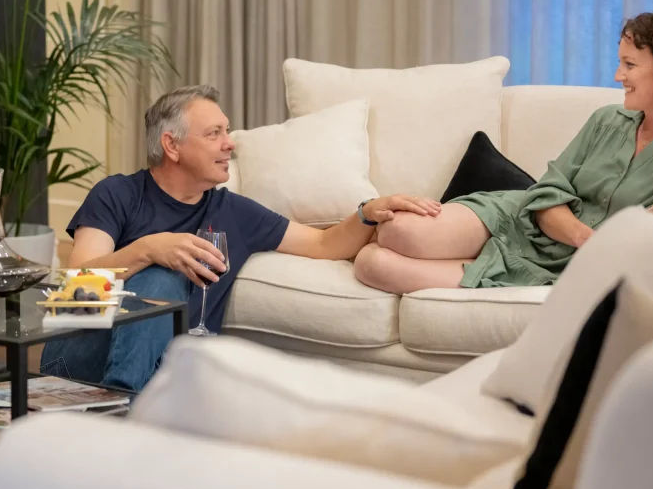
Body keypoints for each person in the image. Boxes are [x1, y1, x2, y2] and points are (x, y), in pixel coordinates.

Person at [41, 84, 438, 390]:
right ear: (172, 145)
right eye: (214, 133)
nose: (229, 143)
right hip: (77, 360)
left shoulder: (233, 213)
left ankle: (128, 415)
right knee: (160, 279)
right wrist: (148, 249)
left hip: (162, 377)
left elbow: (325, 244)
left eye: (227, 131)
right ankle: (127, 415)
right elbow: (75, 293)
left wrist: (368, 212)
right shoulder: (117, 194)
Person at [354, 11, 653, 295]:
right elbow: (547, 193)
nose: (618, 75)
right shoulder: (608, 120)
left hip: (563, 265)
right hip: (521, 219)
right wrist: (585, 238)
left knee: (372, 265)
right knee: (397, 231)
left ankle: (485, 267)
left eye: (630, 65)